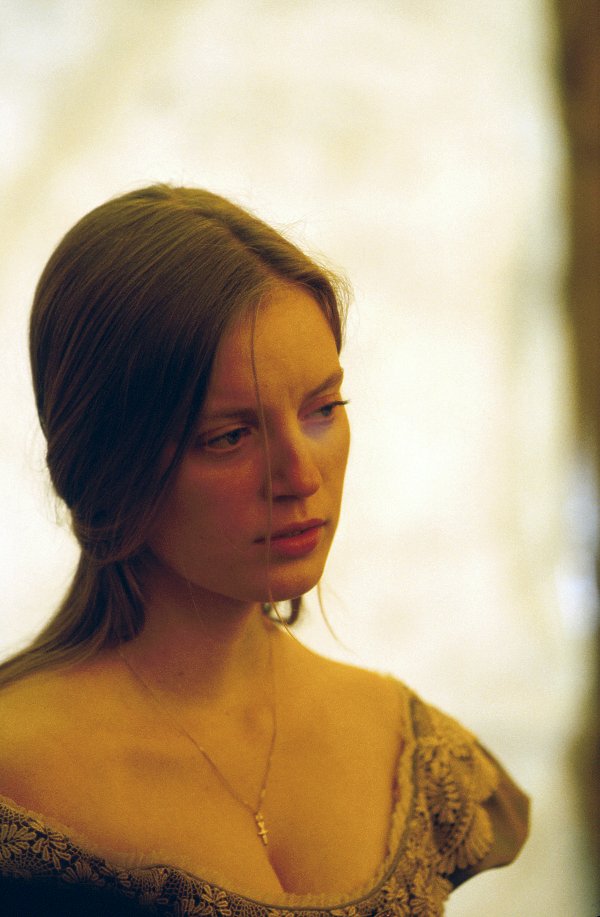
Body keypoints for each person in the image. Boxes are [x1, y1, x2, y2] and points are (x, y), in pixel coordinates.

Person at [0, 184, 529, 916]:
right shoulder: (19, 777)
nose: (300, 475)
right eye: (229, 436)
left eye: (323, 409)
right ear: (108, 462)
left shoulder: (413, 753)